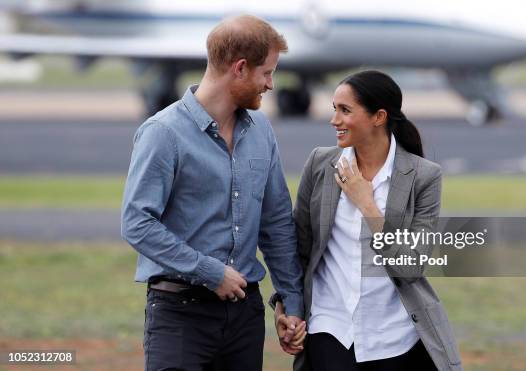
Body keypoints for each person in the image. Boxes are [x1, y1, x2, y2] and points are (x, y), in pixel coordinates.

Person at [121, 15, 305, 371]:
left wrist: (291, 302)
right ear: (239, 68)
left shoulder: (262, 131)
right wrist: (210, 272)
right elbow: (137, 223)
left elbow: (277, 223)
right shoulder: (163, 133)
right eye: (266, 73)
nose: (270, 84)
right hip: (180, 316)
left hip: (245, 317)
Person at [272, 70, 463, 371]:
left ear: (379, 117)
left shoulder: (424, 177)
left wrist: (368, 205)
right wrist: (285, 308)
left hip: (394, 338)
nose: (334, 120)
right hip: (330, 330)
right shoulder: (320, 164)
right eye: (335, 108)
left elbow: (411, 267)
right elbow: (300, 250)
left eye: (345, 110)